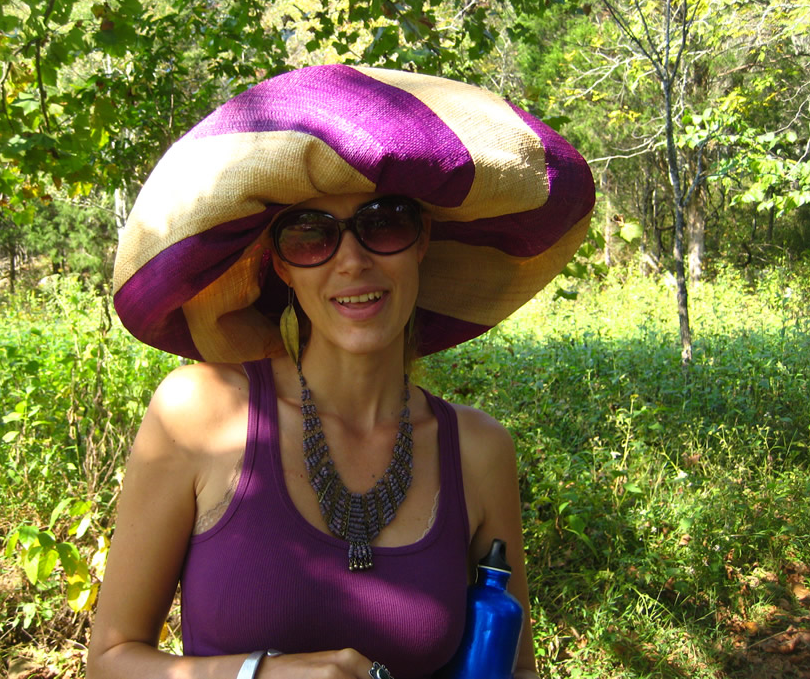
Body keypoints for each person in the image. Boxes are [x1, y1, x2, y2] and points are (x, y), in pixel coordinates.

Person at [88, 65, 595, 679]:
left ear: (422, 242)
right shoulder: (198, 412)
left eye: (385, 222)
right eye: (310, 236)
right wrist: (259, 675)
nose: (351, 261)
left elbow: (515, 668)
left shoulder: (478, 449)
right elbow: (110, 660)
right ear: (281, 266)